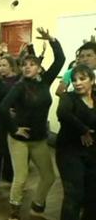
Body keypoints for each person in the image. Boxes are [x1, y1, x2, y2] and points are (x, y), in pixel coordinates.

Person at [0, 28, 65, 220]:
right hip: (19, 138)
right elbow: (3, 108)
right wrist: (14, 128)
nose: (27, 67)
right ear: (20, 68)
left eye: (32, 64)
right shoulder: (19, 86)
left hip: (39, 139)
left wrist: (52, 39)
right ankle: (14, 213)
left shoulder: (45, 81)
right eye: (24, 65)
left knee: (49, 176)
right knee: (21, 178)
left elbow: (60, 59)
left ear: (38, 68)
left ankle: (37, 206)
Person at [56, 64, 96, 220]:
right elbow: (63, 113)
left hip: (92, 152)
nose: (77, 83)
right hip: (69, 152)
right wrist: (83, 130)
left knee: (92, 195)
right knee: (74, 194)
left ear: (92, 80)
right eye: (74, 80)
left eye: (82, 79)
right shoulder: (68, 98)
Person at [0, 55, 21, 192]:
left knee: (11, 150)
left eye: (4, 65)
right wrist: (6, 110)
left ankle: (9, 177)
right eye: (0, 65)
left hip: (14, 120)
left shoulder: (19, 81)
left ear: (11, 66)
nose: (1, 68)